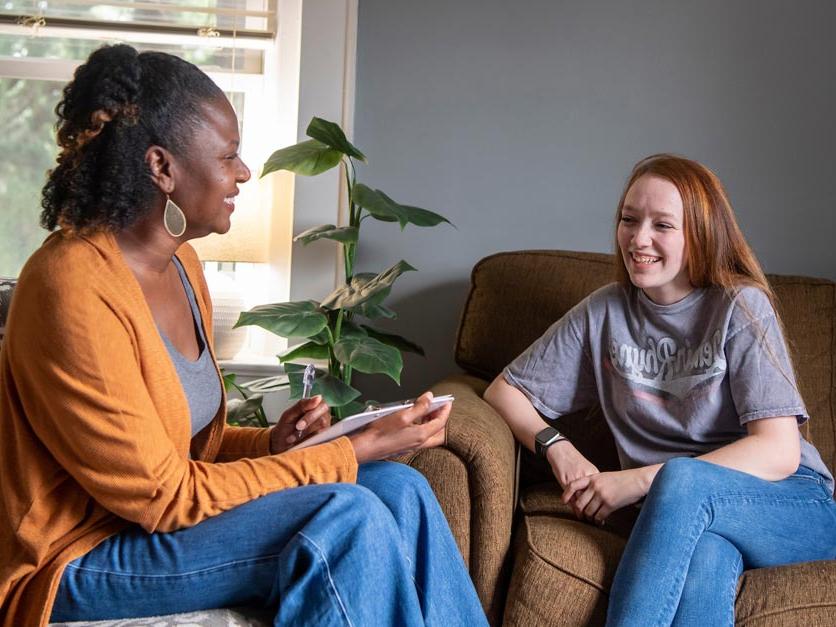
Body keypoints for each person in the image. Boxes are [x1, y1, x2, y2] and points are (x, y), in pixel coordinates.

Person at [0, 44, 487, 626]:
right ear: (162, 168)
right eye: (228, 156)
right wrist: (344, 453)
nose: (243, 172)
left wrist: (271, 445)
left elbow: (177, 446)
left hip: (149, 522)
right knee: (348, 510)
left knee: (400, 489)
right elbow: (164, 495)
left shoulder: (183, 267)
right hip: (78, 555)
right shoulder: (71, 285)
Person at [484, 154, 836, 626]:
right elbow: (504, 391)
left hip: (791, 505)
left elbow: (778, 451)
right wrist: (559, 449)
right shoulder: (605, 313)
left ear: (701, 234)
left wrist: (640, 479)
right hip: (684, 521)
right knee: (706, 560)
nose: (638, 238)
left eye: (662, 225)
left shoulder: (740, 307)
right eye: (629, 219)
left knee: (683, 481)